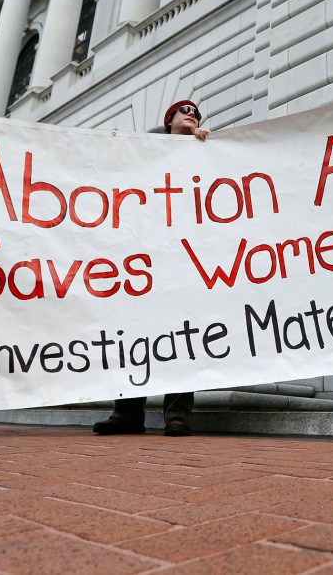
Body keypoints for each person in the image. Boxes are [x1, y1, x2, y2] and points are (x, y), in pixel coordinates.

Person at [93, 100, 208, 437]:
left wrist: (206, 148)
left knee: (182, 332)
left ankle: (178, 414)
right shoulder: (143, 154)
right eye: (184, 111)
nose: (192, 115)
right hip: (143, 257)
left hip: (184, 258)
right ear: (168, 119)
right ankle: (127, 412)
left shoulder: (206, 151)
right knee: (134, 331)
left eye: (196, 114)